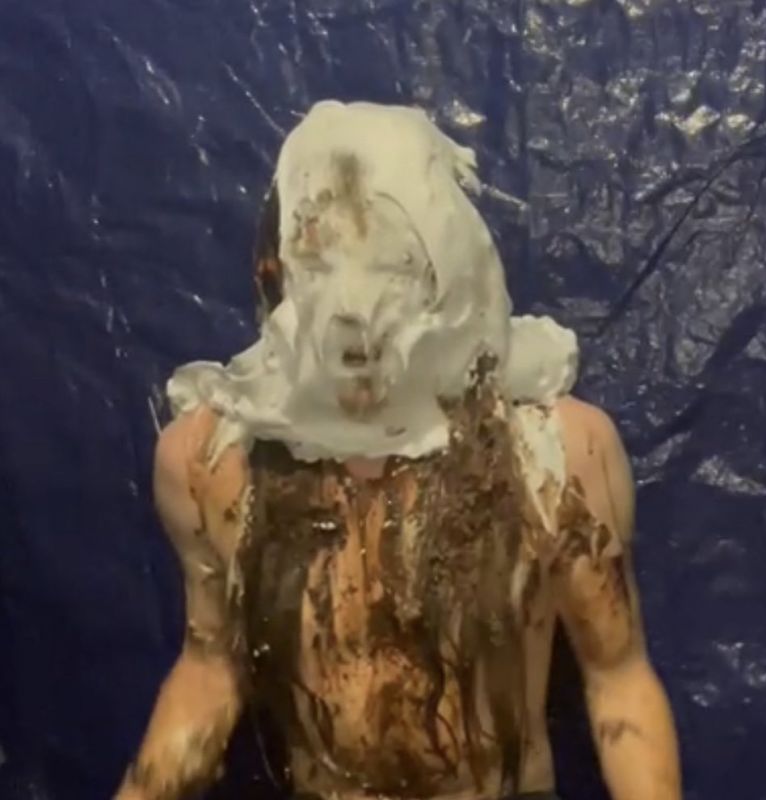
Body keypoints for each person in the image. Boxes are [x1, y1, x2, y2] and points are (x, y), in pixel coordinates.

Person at [116, 101, 681, 800]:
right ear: (277, 272)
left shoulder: (556, 455)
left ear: (451, 271)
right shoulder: (212, 465)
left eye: (392, 267)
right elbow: (211, 668)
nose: (357, 309)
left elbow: (618, 679)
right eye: (324, 264)